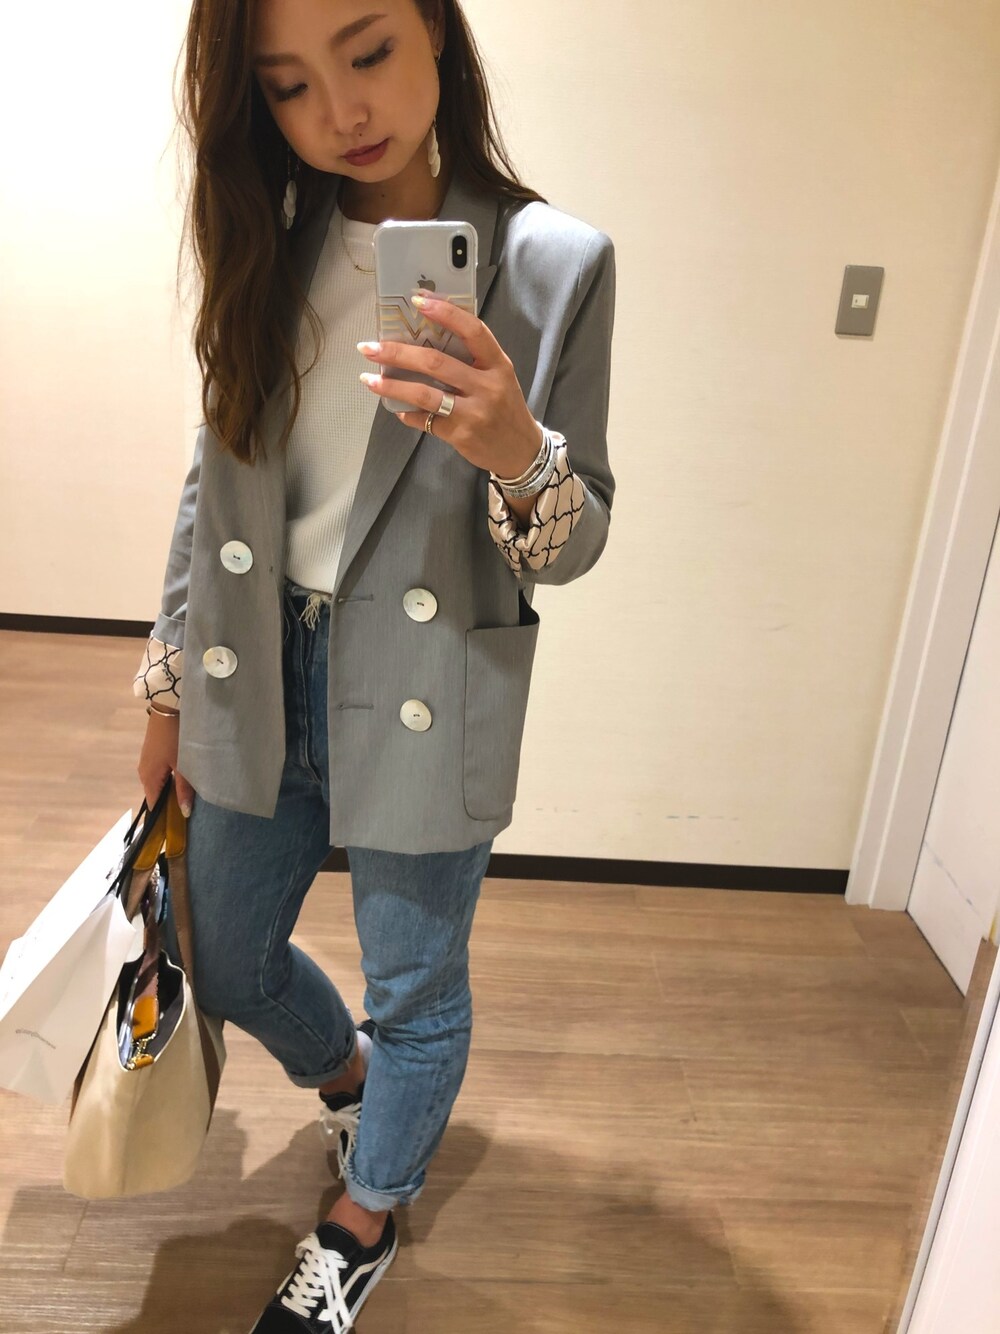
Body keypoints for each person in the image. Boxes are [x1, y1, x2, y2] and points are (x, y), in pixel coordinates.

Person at [133, 0, 616, 1329]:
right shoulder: (270, 241)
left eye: (367, 50)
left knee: (418, 985)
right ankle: (345, 1078)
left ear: (435, 33)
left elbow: (577, 542)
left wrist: (516, 447)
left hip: (428, 674)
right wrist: (165, 687)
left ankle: (366, 1214)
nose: (340, 111)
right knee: (225, 953)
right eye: (288, 85)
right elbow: (212, 485)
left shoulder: (554, 261)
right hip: (254, 664)